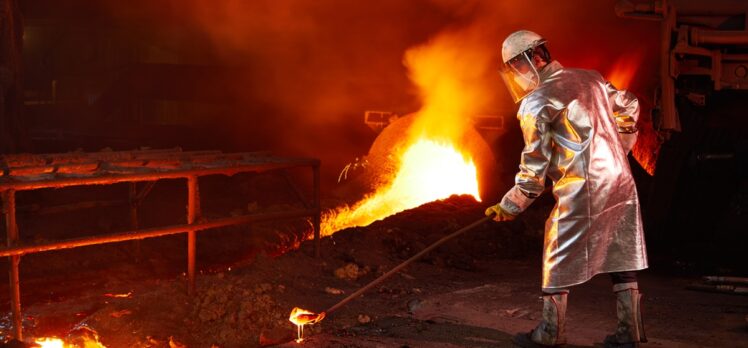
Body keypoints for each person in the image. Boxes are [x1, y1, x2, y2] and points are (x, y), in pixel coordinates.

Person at [485, 30, 648, 348]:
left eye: (516, 66)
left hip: (582, 188)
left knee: (556, 251)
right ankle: (631, 332)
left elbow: (535, 166)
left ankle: (549, 333)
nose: (516, 75)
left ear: (530, 60)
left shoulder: (535, 101)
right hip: (620, 179)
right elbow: (628, 104)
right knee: (621, 251)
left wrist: (511, 204)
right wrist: (620, 148)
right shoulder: (591, 78)